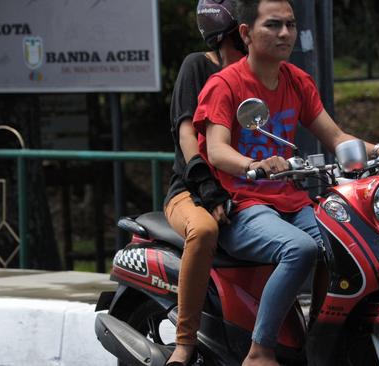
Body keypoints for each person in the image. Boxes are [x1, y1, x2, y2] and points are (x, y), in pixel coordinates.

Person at [193, 0, 379, 365]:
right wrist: (256, 164)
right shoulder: (225, 84)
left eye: (291, 25)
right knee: (300, 249)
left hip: (291, 201)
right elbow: (216, 151)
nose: (285, 33)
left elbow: (336, 137)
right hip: (244, 203)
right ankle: (259, 350)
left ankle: (320, 341)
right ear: (246, 33)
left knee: (345, 242)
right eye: (273, 25)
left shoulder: (297, 81)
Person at [163, 1, 245, 365]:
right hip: (190, 190)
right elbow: (186, 136)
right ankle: (184, 342)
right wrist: (207, 186)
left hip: (242, 188)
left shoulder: (256, 75)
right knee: (205, 231)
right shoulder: (197, 66)